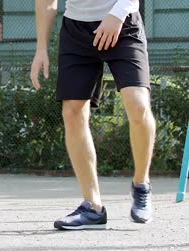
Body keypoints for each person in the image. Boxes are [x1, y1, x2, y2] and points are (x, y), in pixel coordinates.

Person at [31, 0, 155, 230]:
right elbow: (47, 2)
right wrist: (41, 49)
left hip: (123, 23)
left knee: (138, 105)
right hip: (76, 30)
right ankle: (93, 207)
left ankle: (141, 185)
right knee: (72, 111)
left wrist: (117, 14)